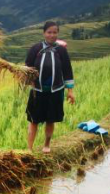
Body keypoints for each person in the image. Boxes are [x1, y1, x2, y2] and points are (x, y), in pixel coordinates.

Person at [24, 21, 75, 153]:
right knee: (34, 120)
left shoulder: (61, 51)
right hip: (38, 91)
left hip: (56, 90)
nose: (52, 35)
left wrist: (70, 91)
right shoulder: (36, 49)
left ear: (57, 34)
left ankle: (46, 145)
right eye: (49, 32)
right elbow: (27, 68)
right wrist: (27, 79)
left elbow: (67, 70)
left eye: (55, 32)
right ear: (44, 33)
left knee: (50, 120)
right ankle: (29, 148)